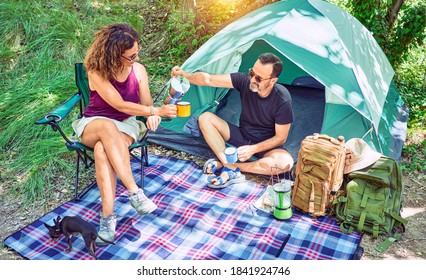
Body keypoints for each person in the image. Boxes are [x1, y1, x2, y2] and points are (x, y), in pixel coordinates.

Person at [72, 23, 177, 244]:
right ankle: (135, 192)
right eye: (130, 56)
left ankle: (107, 220)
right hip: (94, 123)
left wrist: (153, 114)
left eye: (137, 53)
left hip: (126, 125)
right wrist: (153, 110)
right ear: (113, 55)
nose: (135, 59)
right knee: (106, 128)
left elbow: (146, 103)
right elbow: (119, 104)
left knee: (102, 150)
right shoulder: (96, 72)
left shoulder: (138, 70)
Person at [171, 53, 294, 188]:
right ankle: (228, 166)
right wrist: (185, 75)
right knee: (205, 118)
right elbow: (208, 80)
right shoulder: (244, 81)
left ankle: (231, 167)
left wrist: (253, 149)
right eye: (251, 72)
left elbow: (281, 138)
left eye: (258, 78)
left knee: (284, 163)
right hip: (242, 135)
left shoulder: (282, 98)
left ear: (272, 81)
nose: (252, 79)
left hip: (266, 147)